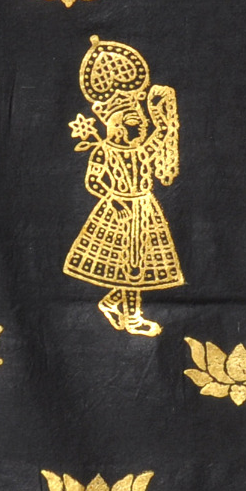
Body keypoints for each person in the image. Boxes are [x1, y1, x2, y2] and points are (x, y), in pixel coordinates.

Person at [64, 36, 182, 336]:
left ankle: (112, 303)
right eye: (132, 123)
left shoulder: (140, 150)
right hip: (120, 210)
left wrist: (164, 119)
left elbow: (160, 136)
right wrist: (114, 200)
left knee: (138, 262)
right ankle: (131, 317)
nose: (140, 126)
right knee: (128, 263)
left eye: (140, 122)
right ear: (114, 125)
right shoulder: (104, 151)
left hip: (144, 206)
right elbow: (93, 181)